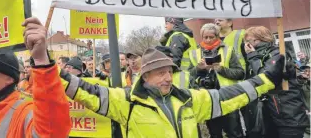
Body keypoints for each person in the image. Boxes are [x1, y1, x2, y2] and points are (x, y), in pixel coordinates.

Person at [60, 45, 285, 138]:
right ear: (144, 75)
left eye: (169, 71)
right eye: (160, 73)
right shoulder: (126, 100)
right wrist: (45, 66)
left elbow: (231, 95)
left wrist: (266, 79)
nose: (168, 77)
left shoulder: (188, 99)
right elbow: (82, 90)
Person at [245, 26, 310, 138]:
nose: (245, 45)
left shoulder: (277, 54)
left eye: (248, 41)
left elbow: (266, 78)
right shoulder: (260, 56)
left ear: (257, 40)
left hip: (288, 114)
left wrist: (252, 57)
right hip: (272, 114)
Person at [187, 23, 245, 138]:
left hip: (228, 97)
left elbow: (240, 73)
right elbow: (188, 76)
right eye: (205, 37)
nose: (208, 40)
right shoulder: (194, 53)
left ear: (217, 36)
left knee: (234, 133)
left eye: (211, 37)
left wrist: (221, 69)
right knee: (215, 133)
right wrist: (199, 68)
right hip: (208, 99)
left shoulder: (228, 50)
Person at [298, 63, 310, 138]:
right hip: (307, 126)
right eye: (305, 71)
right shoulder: (304, 84)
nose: (307, 73)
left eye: (309, 71)